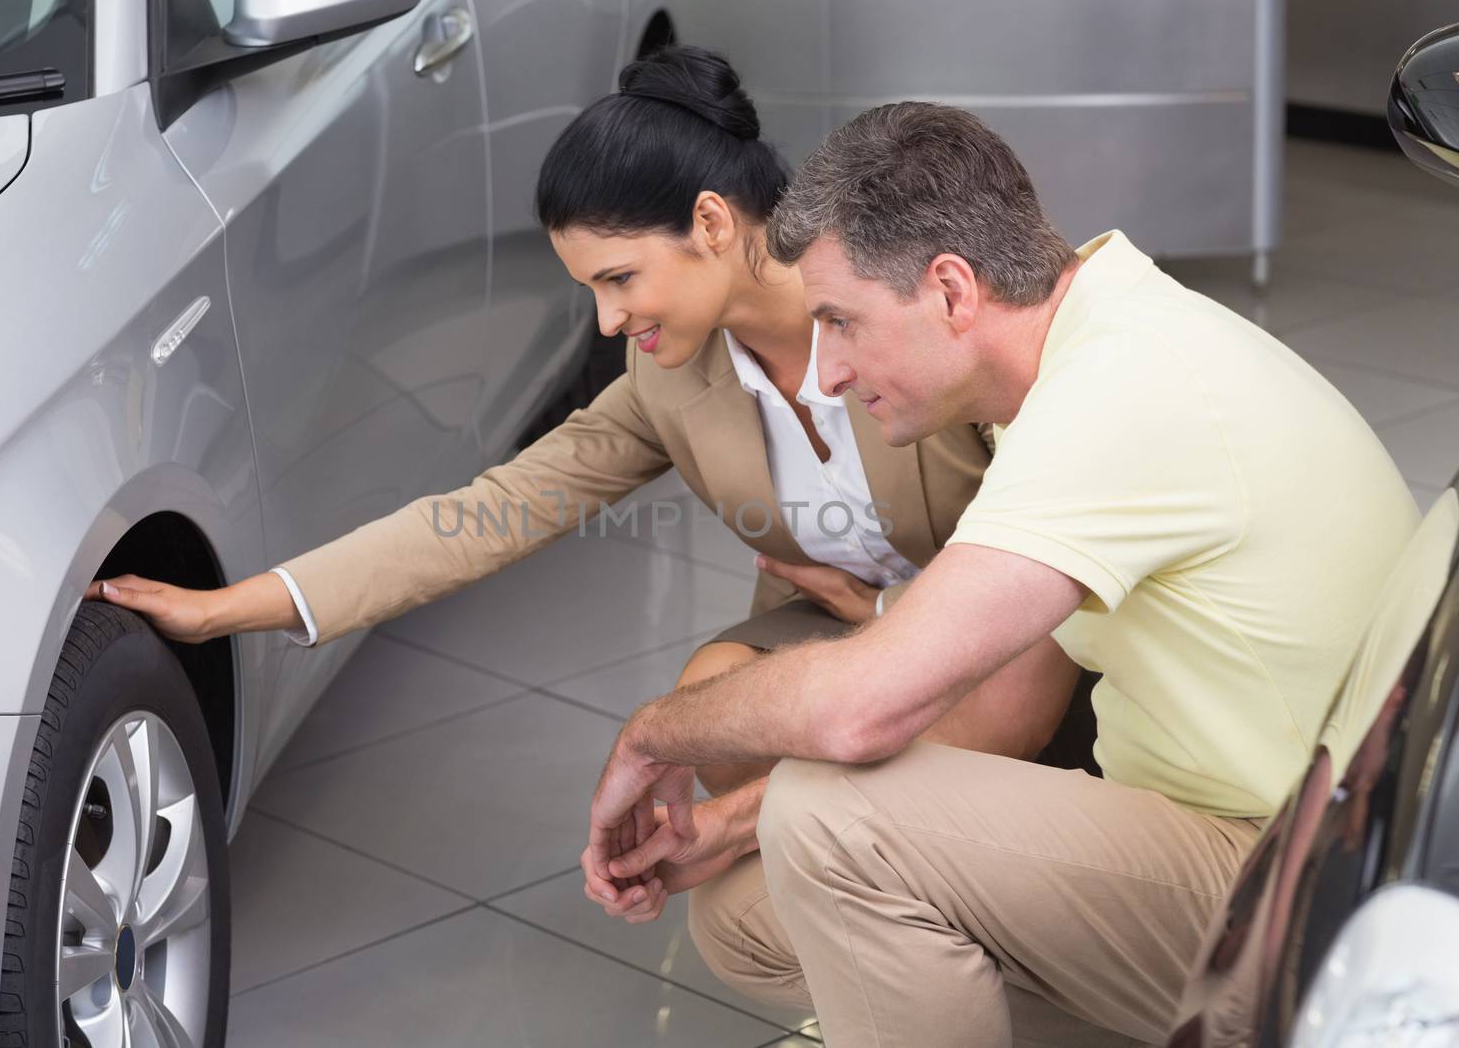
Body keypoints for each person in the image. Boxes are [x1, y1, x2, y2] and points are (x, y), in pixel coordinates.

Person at [85, 51, 1080, 901]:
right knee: (713, 692)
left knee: (920, 716)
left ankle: (920, 875)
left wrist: (883, 623)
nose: (608, 323)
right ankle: (852, 897)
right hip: (836, 635)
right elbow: (490, 512)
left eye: (619, 279)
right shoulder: (667, 373)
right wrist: (235, 608)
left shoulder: (901, 303)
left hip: (1002, 627)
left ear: (711, 223)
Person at [581, 101, 1420, 1047]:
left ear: (950, 289)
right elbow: (992, 698)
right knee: (745, 915)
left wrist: (653, 737)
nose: (828, 373)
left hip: (1306, 893)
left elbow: (864, 703)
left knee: (831, 818)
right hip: (1286, 833)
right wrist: (727, 823)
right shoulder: (1102, 339)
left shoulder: (1115, 396)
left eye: (840, 322)